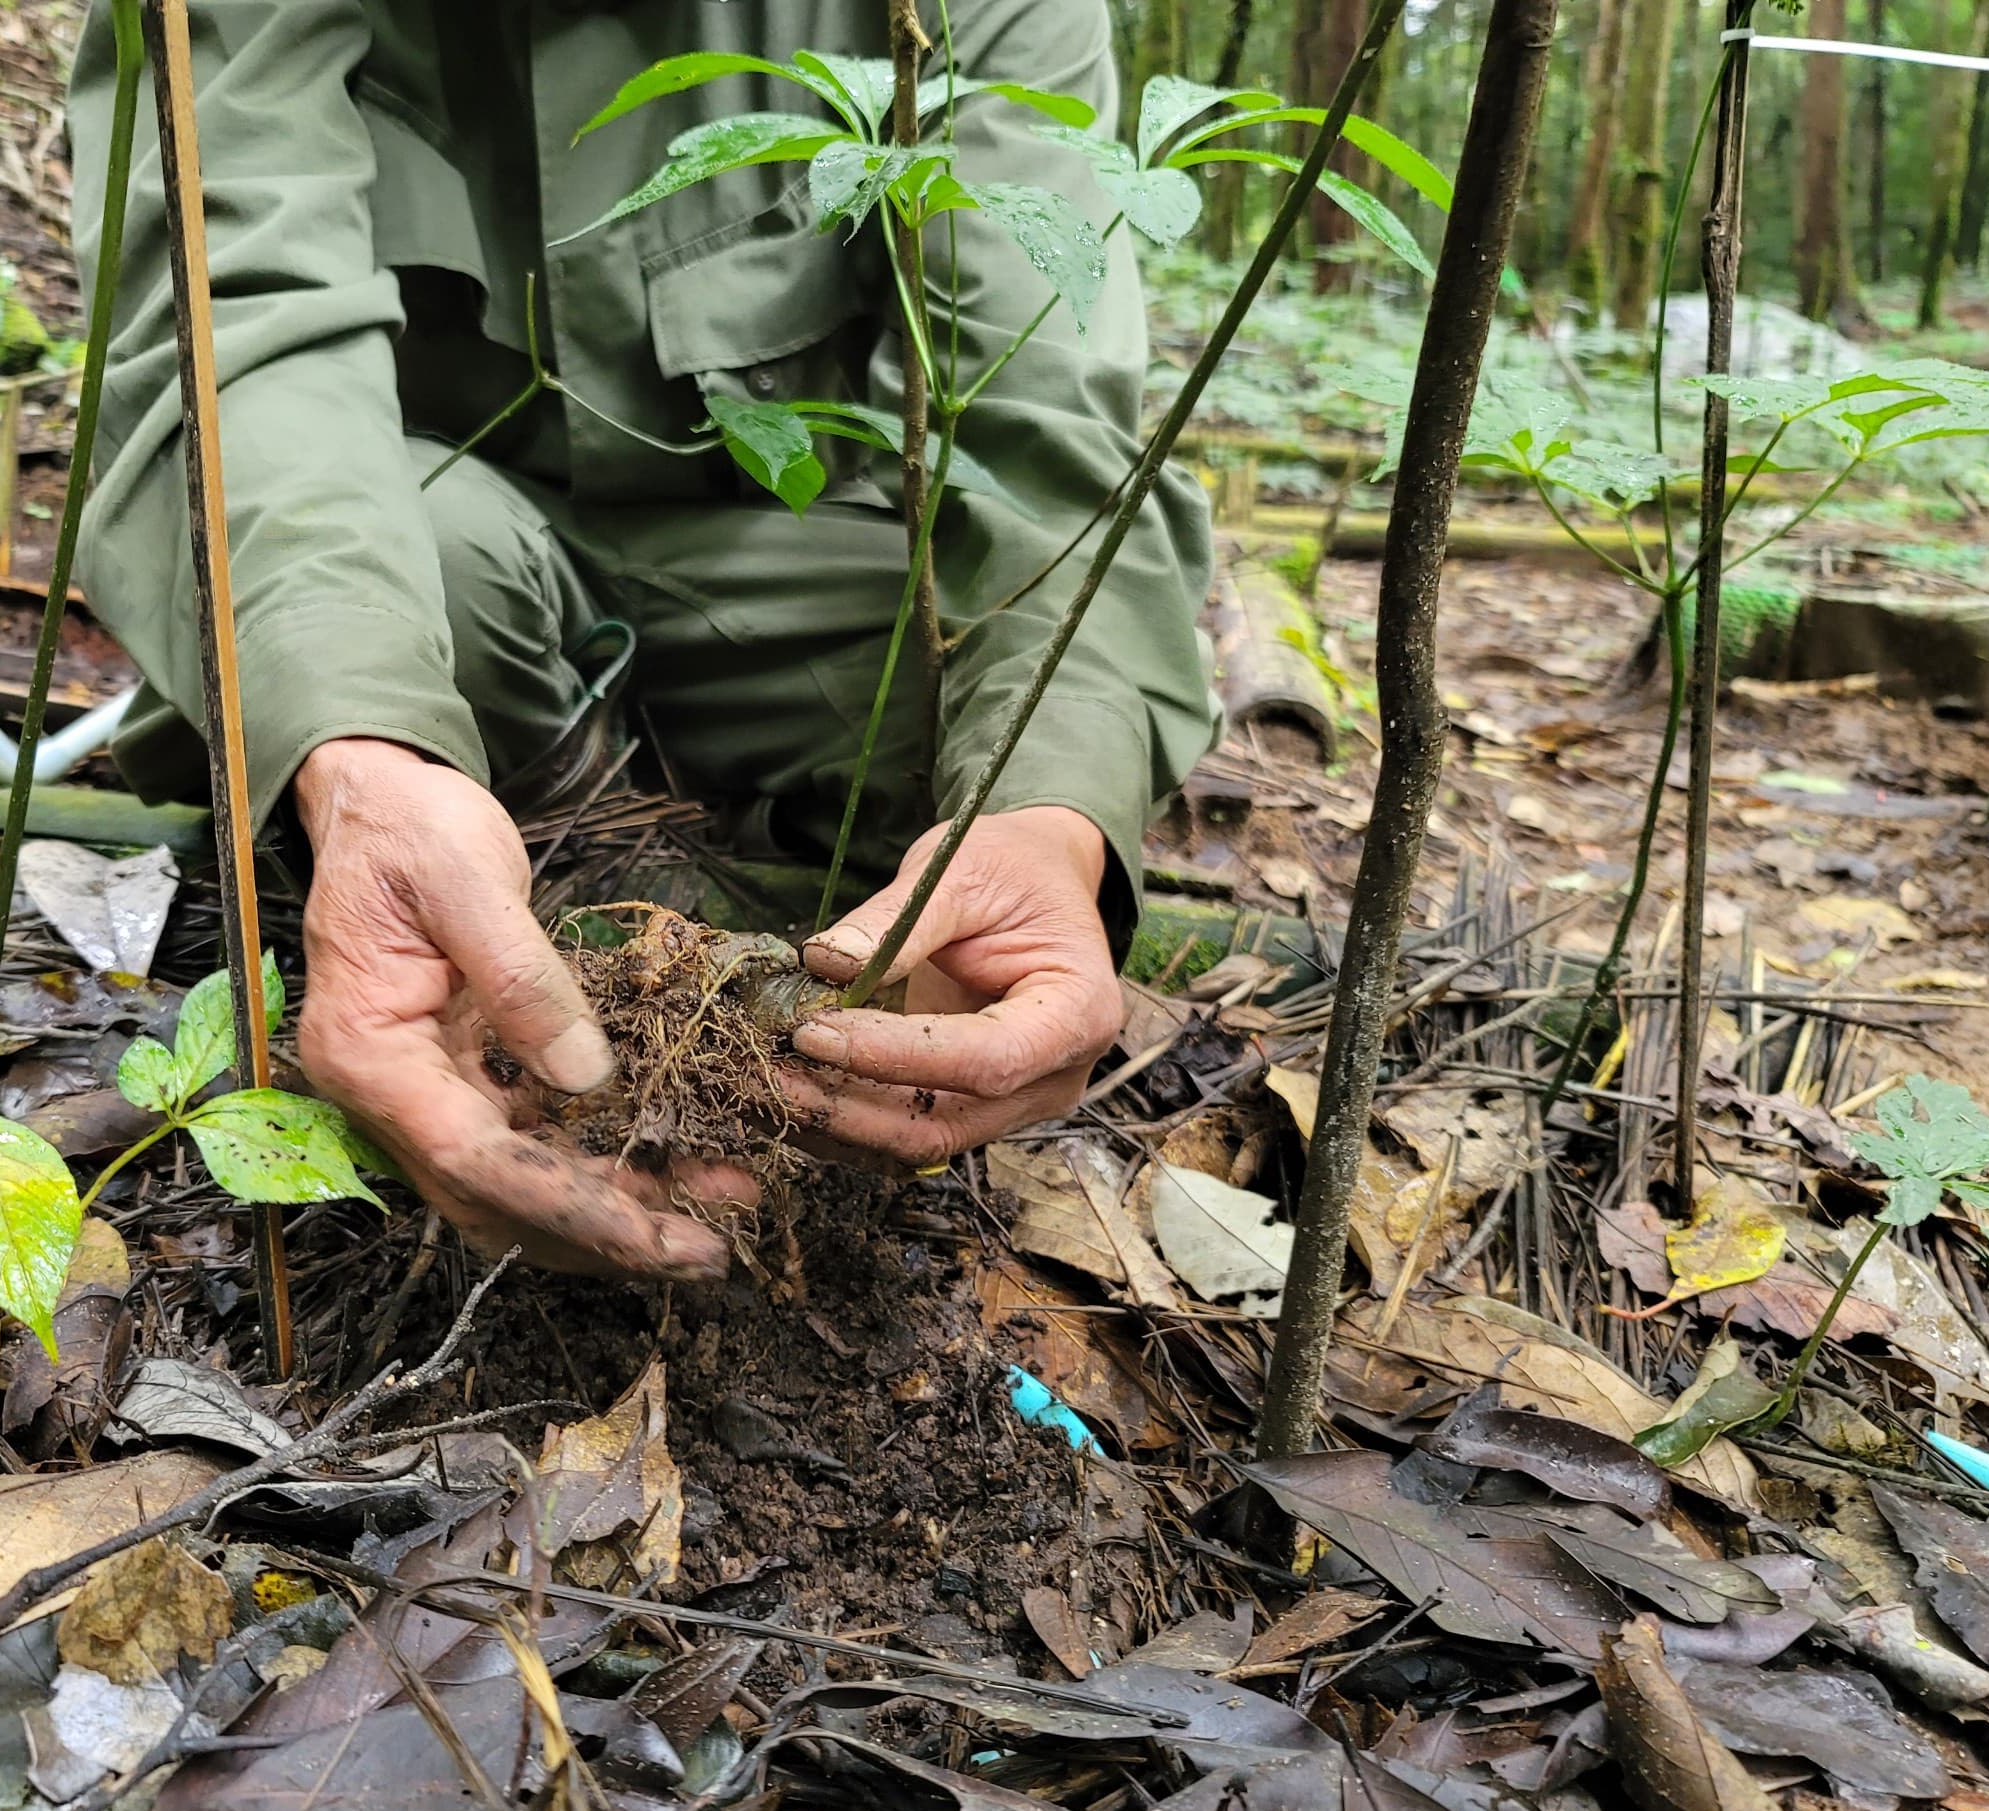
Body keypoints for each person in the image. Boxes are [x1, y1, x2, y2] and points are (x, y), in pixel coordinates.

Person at [65, 0, 1217, 1282]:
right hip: (419, 560)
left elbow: (1045, 431)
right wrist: (356, 761)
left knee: (986, 700)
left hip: (786, 572)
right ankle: (479, 889)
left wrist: (1048, 820)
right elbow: (233, 327)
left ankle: (776, 949)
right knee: (429, 585)